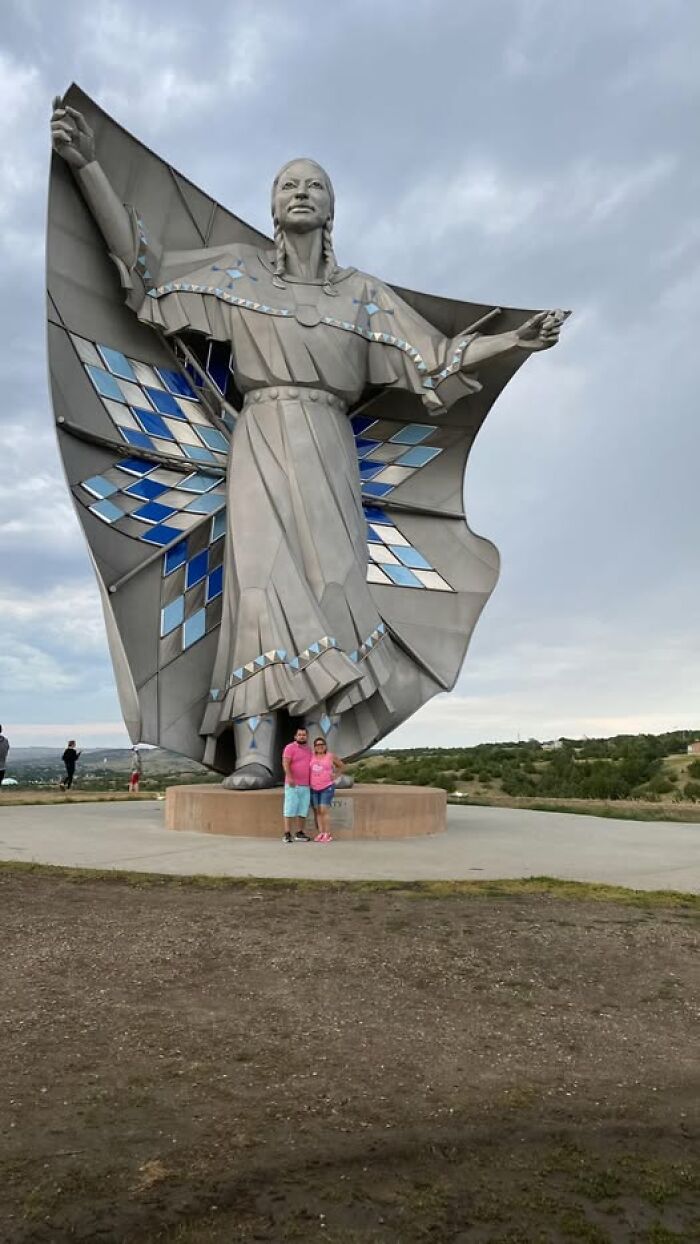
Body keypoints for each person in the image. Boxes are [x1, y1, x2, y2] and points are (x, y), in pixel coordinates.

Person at [50, 98, 567, 790]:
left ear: (331, 210)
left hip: (331, 446)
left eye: (313, 184)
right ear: (272, 208)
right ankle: (258, 751)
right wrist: (88, 168)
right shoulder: (239, 275)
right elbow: (147, 275)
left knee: (331, 587)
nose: (300, 192)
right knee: (259, 587)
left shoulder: (363, 298)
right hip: (260, 437)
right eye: (287, 184)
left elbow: (436, 360)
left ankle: (321, 752)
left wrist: (512, 339)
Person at [310, 737, 345, 843]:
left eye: (322, 745)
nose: (320, 747)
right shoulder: (312, 756)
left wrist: (336, 775)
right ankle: (321, 832)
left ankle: (327, 833)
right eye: (317, 745)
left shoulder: (330, 756)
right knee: (317, 811)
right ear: (314, 747)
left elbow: (342, 766)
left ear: (325, 746)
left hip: (327, 786)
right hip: (314, 787)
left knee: (323, 809)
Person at [281, 727, 312, 843]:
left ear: (307, 736)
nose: (302, 736)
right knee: (289, 808)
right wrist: (289, 777)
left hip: (306, 784)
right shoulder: (290, 748)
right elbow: (285, 763)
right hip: (293, 784)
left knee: (302, 810)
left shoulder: (309, 750)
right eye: (299, 735)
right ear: (295, 736)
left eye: (304, 735)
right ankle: (287, 833)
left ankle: (299, 833)